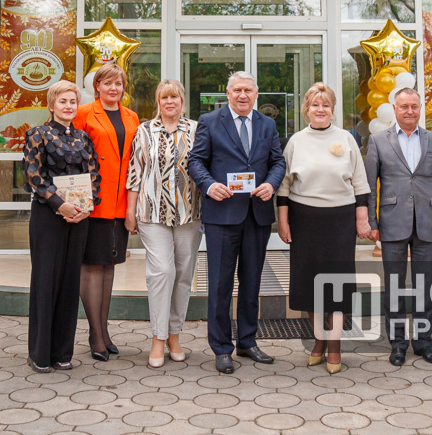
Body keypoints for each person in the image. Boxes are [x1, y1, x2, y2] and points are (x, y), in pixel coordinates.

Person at [187, 71, 286, 374]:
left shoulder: (267, 124)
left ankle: (247, 341)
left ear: (256, 94)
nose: (243, 95)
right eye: (237, 90)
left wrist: (271, 183)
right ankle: (221, 347)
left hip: (257, 214)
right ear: (228, 93)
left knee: (252, 281)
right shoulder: (209, 121)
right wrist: (208, 185)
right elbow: (195, 161)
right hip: (222, 214)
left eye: (248, 90)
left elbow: (277, 161)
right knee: (220, 283)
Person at [276, 83, 371, 374]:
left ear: (332, 109)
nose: (320, 109)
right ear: (306, 109)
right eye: (315, 105)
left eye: (326, 105)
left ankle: (335, 344)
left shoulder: (346, 138)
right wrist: (283, 222)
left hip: (340, 220)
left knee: (337, 284)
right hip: (304, 219)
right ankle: (318, 340)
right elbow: (284, 186)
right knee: (309, 283)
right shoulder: (296, 141)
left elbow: (360, 183)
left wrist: (362, 219)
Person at [365, 86, 432, 366]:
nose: (410, 111)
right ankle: (398, 344)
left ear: (420, 108)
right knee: (394, 287)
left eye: (414, 106)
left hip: (428, 220)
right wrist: (371, 222)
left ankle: (424, 343)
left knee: (425, 286)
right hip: (392, 222)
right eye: (404, 106)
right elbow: (370, 187)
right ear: (395, 109)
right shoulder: (378, 140)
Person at [124, 79, 201, 369]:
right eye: (164, 97)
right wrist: (130, 211)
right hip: (152, 213)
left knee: (183, 275)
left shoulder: (196, 130)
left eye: (174, 97)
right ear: (158, 101)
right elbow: (135, 172)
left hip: (189, 214)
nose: (170, 102)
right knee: (162, 272)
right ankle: (158, 337)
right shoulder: (144, 131)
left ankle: (174, 335)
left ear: (182, 101)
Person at [24, 79, 99, 372]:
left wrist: (86, 208)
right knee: (46, 282)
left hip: (78, 218)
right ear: (52, 105)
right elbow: (34, 176)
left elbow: (93, 175)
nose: (68, 106)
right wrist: (59, 204)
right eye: (63, 101)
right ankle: (40, 354)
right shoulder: (37, 135)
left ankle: (62, 352)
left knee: (69, 283)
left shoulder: (83, 137)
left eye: (72, 101)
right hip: (48, 217)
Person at [73, 63, 140, 361]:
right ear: (97, 86)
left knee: (109, 265)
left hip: (121, 202)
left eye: (118, 83)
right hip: (93, 202)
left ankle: (104, 330)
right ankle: (95, 334)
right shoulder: (83, 113)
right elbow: (70, 155)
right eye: (108, 83)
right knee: (92, 266)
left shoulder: (132, 116)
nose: (114, 88)